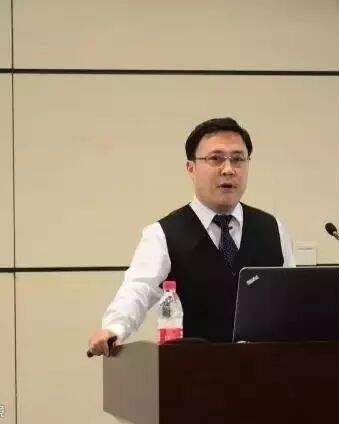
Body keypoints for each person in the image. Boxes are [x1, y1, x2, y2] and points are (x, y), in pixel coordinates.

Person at [88, 117, 295, 356]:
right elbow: (138, 288)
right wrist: (114, 328)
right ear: (191, 168)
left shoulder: (272, 228)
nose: (228, 169)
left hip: (266, 368)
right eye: (215, 159)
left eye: (238, 159)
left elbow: (291, 298)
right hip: (192, 369)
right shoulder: (163, 234)